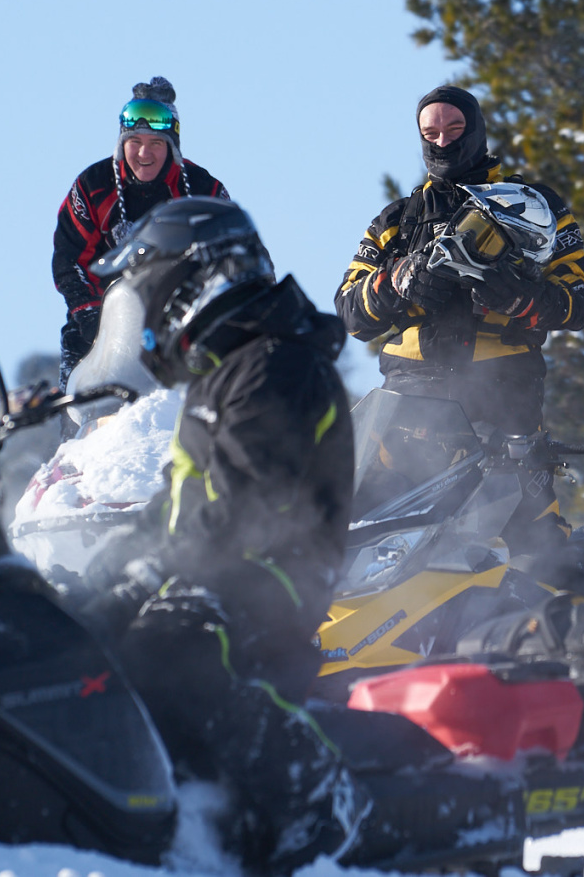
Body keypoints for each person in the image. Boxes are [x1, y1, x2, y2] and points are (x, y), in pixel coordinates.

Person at [80, 197, 360, 869]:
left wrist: (149, 576)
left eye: (151, 297)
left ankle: (313, 793)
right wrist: (100, 574)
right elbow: (174, 507)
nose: (147, 324)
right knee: (84, 636)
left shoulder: (277, 365)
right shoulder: (224, 375)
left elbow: (248, 505)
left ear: (197, 282)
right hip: (211, 572)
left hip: (272, 576)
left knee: (167, 648)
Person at [336, 84, 584, 434]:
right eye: (431, 133)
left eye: (455, 129)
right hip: (408, 402)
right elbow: (350, 314)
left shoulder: (533, 206)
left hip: (503, 395)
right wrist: (398, 278)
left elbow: (583, 298)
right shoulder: (397, 220)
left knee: (515, 472)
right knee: (365, 470)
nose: (442, 142)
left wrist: (523, 299)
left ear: (476, 130)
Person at [51, 77, 228, 382]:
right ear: (122, 144)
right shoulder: (93, 187)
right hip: (97, 333)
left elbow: (237, 255)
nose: (144, 154)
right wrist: (91, 317)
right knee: (80, 390)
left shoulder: (203, 191)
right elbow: (70, 259)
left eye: (156, 143)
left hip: (183, 330)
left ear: (172, 146)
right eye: (135, 142)